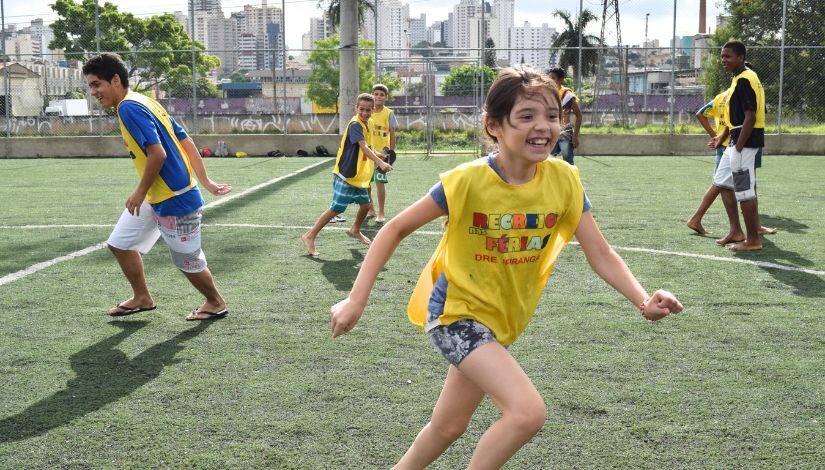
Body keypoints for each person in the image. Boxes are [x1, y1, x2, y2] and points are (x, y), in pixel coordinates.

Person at [330, 68, 683, 468]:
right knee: (527, 413)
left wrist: (642, 299)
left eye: (552, 115)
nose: (543, 126)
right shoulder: (466, 180)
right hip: (454, 314)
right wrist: (355, 300)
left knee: (448, 427)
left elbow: (599, 252)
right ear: (494, 126)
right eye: (527, 116)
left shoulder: (565, 181)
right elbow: (394, 228)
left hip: (502, 321)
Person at [82, 53, 232, 321]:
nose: (93, 92)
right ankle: (142, 298)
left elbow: (158, 153)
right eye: (90, 86)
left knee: (188, 260)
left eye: (96, 84)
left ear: (115, 80)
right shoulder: (144, 101)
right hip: (157, 197)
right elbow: (184, 140)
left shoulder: (129, 107)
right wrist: (206, 181)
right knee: (119, 243)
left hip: (176, 199)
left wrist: (139, 191)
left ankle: (215, 302)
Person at [301, 93, 393, 257]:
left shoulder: (369, 123)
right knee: (336, 208)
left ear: (373, 110)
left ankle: (355, 229)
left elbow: (369, 148)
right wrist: (380, 163)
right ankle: (310, 235)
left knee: (365, 205)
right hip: (346, 175)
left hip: (358, 176)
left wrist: (381, 156)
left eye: (368, 110)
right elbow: (363, 147)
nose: (365, 113)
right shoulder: (355, 125)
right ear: (356, 108)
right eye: (362, 109)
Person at [711, 41, 767, 251]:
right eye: (722, 56)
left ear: (741, 58)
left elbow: (750, 116)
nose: (724, 60)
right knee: (723, 182)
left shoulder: (745, 80)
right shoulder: (739, 78)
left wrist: (738, 147)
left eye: (728, 56)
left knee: (744, 190)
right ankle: (736, 231)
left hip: (744, 142)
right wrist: (726, 138)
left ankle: (753, 240)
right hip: (735, 140)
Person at [366, 84, 398, 224]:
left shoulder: (389, 113)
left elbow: (392, 133)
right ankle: (370, 208)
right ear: (372, 95)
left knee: (379, 182)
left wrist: (391, 152)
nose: (378, 96)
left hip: (382, 155)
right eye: (376, 94)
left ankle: (381, 212)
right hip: (368, 152)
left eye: (381, 94)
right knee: (366, 183)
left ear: (386, 97)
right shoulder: (367, 112)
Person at [547, 67, 582, 165]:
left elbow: (578, 115)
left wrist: (575, 136)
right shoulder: (547, 94)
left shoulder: (568, 95)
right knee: (547, 158)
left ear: (561, 79)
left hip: (565, 132)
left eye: (553, 78)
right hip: (551, 131)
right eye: (549, 78)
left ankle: (571, 178)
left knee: (567, 158)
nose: (550, 80)